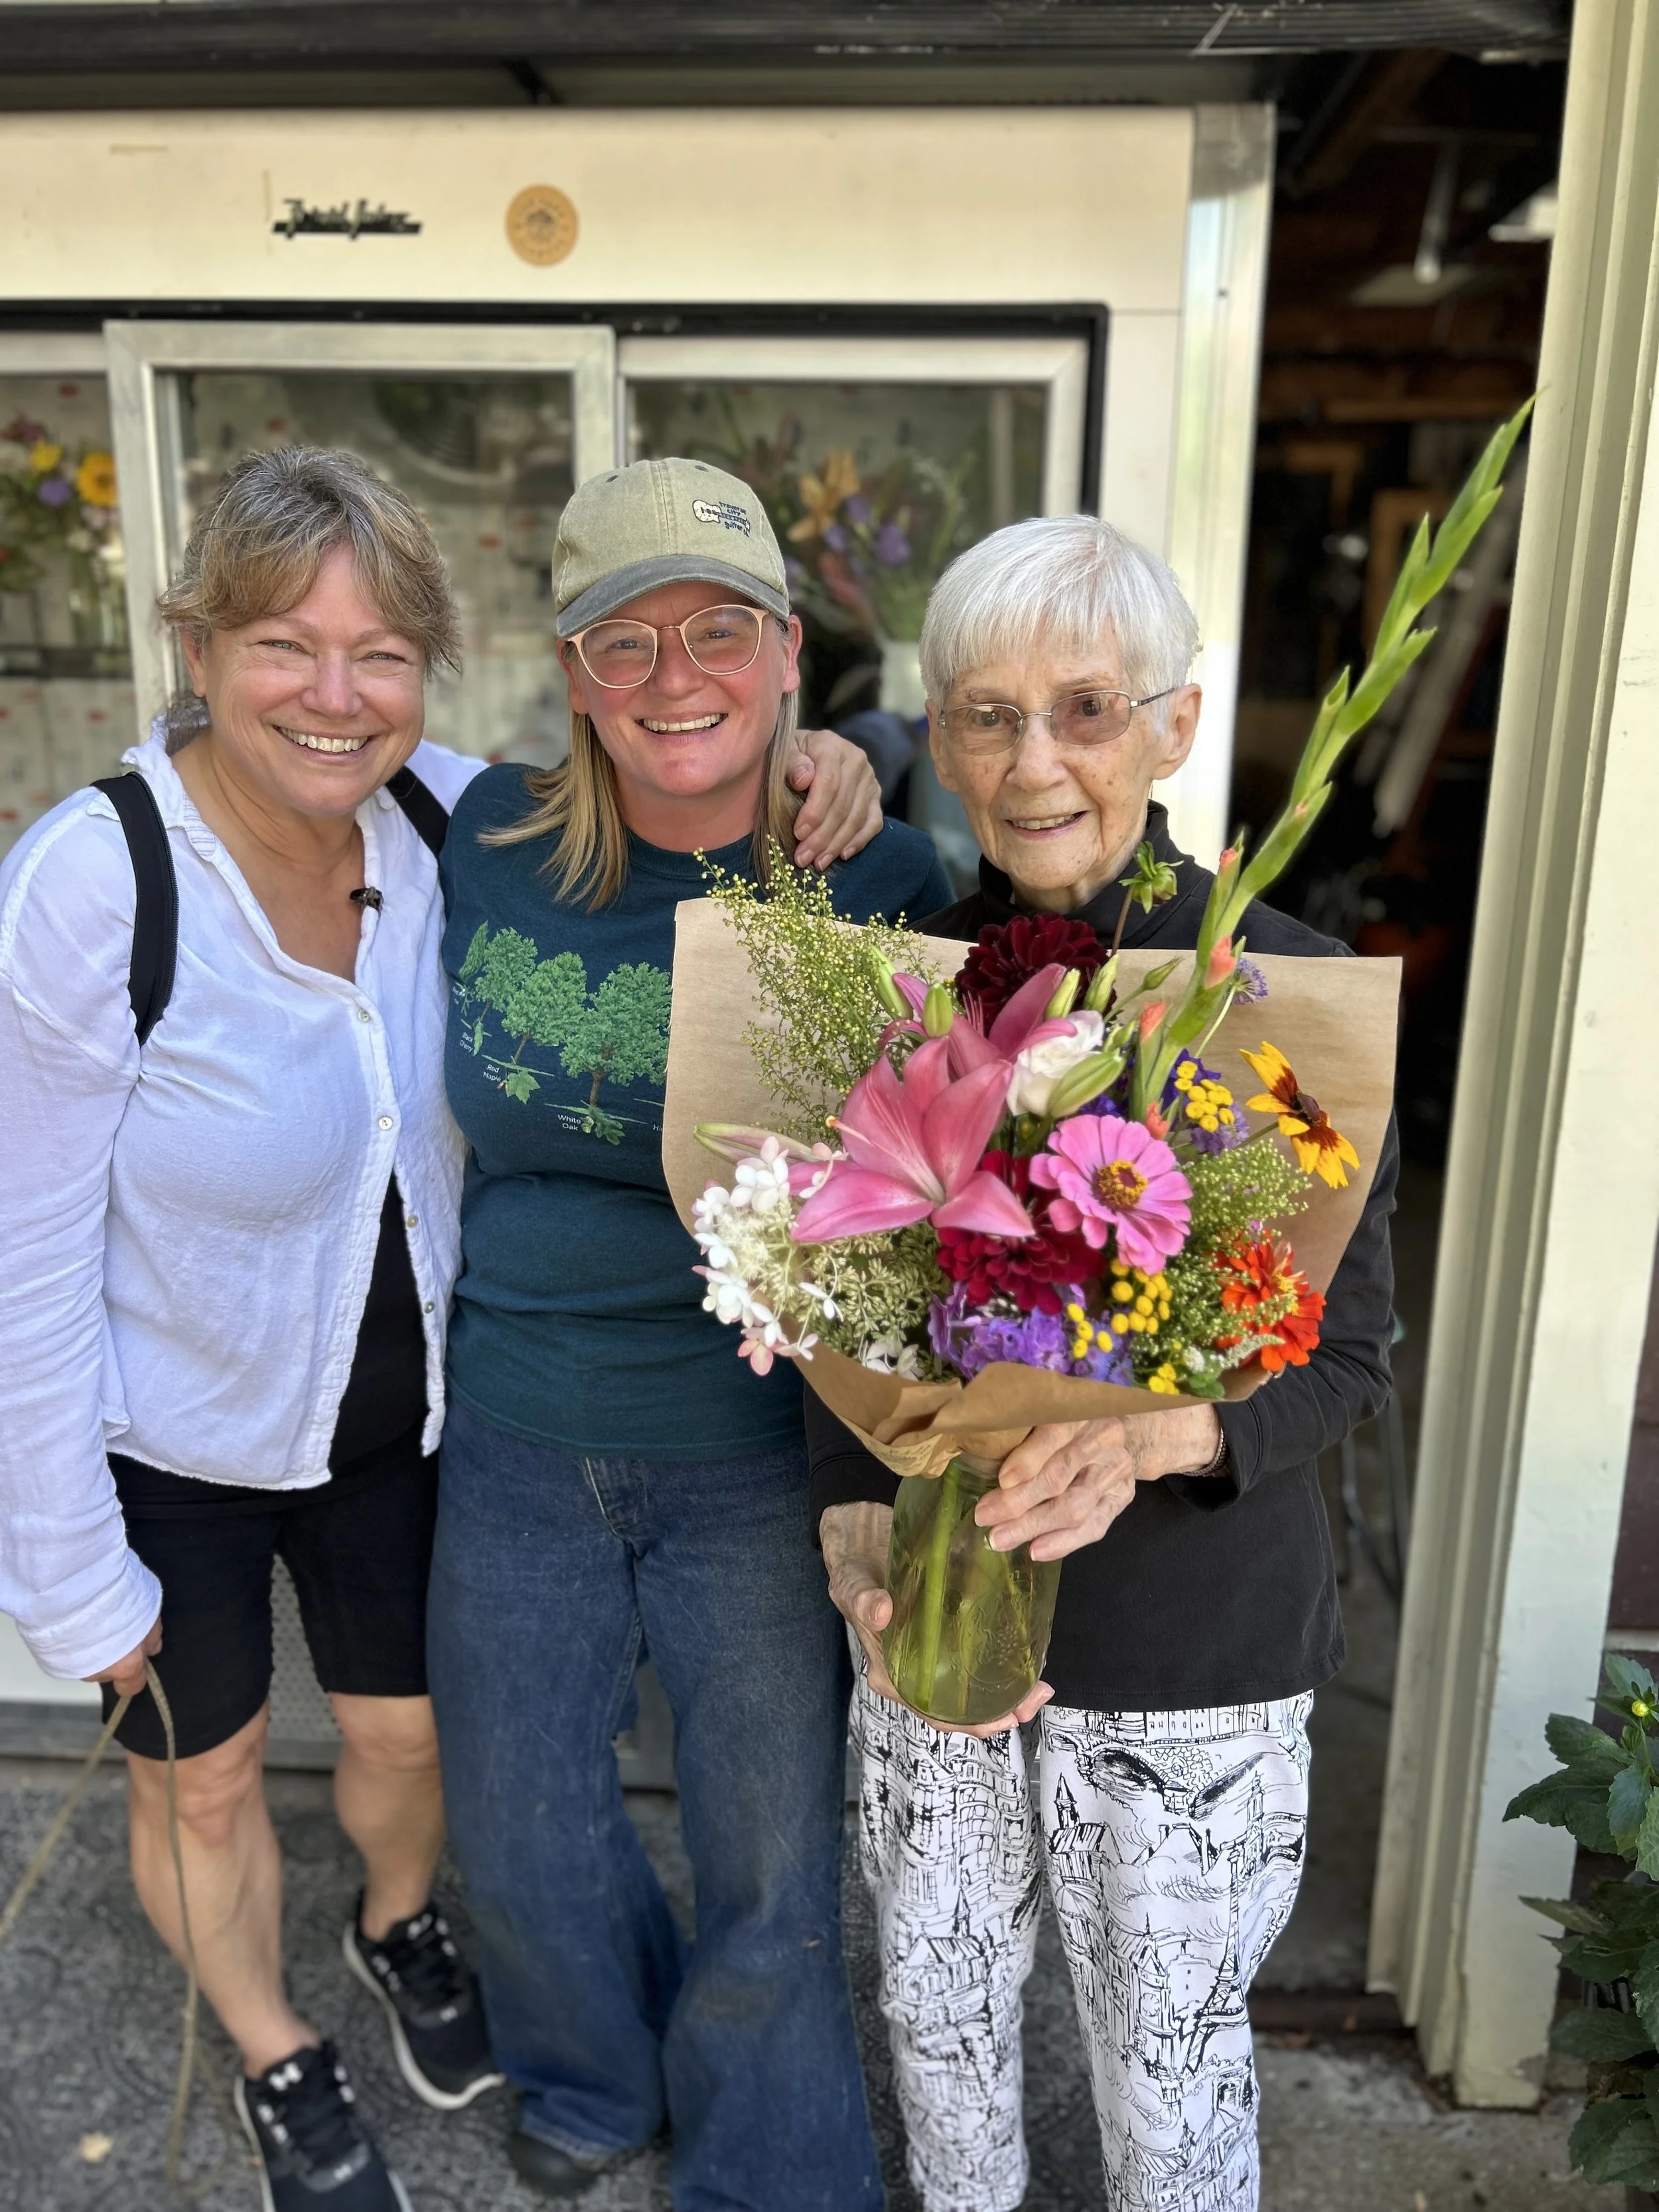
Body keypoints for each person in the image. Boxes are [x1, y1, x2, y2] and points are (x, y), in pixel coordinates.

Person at [0, 446, 883, 2212]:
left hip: (576, 1432)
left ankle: (570, 2031)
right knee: (371, 1800)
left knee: (589, 1799)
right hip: (335, 1430)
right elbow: (23, 1247)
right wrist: (61, 1569)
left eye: (379, 653)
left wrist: (839, 760)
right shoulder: (255, 860)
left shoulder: (530, 827)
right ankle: (427, 2059)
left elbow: (673, 765)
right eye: (282, 645)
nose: (335, 697)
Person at [811, 514, 1399, 2212]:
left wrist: (1148, 1441)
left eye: (1082, 707)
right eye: (984, 715)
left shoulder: (1271, 992)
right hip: (936, 1619)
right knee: (938, 2037)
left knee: (1168, 2086)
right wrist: (851, 1513)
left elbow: (1343, 1353)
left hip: (1186, 1652)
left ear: (1174, 724)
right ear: (937, 736)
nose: (1033, 759)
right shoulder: (901, 987)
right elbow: (835, 1310)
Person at [426, 456, 953, 2207]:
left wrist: (868, 751)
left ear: (785, 648)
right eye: (622, 640)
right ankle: (588, 2074)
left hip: (756, 1446)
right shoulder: (480, 839)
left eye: (714, 628)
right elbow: (280, 756)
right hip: (514, 1423)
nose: (673, 676)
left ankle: (766, 2161)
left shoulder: (881, 872)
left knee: (768, 1859)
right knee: (516, 1832)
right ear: (572, 671)